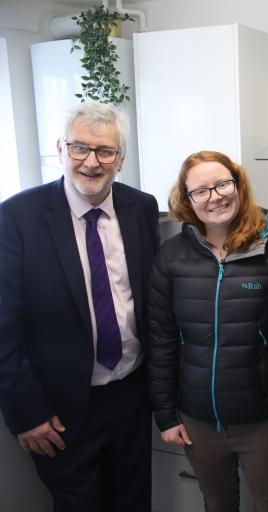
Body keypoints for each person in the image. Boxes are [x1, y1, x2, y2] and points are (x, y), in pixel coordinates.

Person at [0, 101, 160, 511]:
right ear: (59, 150)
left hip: (130, 397)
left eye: (105, 151)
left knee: (134, 502)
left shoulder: (140, 208)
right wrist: (26, 413)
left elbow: (150, 301)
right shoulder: (16, 217)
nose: (91, 162)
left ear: (120, 160)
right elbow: (4, 327)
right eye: (79, 148)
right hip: (58, 411)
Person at [146, 150, 268, 512]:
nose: (215, 198)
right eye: (201, 191)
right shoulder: (171, 256)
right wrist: (165, 415)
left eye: (222, 184)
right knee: (217, 504)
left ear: (238, 185)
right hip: (197, 420)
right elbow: (161, 337)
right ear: (187, 199)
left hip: (264, 421)